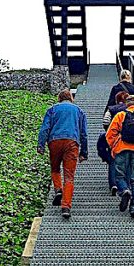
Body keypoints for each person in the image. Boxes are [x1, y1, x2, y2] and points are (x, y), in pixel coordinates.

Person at [38, 89, 88, 219]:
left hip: (54, 141)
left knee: (55, 169)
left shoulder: (52, 109)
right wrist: (84, 152)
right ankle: (66, 206)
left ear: (59, 98)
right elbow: (84, 133)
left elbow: (45, 128)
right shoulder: (79, 111)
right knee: (69, 176)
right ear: (71, 98)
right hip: (72, 142)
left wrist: (41, 145)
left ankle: (58, 189)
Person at [97, 91, 131, 196]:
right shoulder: (130, 111)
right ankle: (127, 185)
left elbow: (105, 122)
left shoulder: (111, 109)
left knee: (113, 161)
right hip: (128, 139)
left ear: (117, 100)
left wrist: (109, 131)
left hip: (113, 138)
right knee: (128, 162)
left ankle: (113, 185)